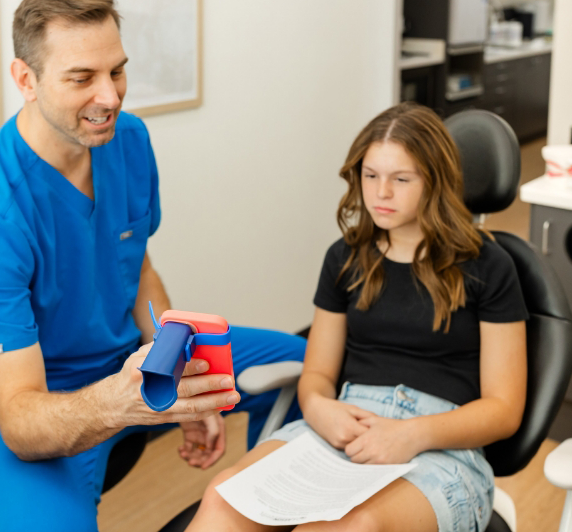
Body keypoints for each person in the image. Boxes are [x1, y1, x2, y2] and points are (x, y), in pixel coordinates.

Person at [0, 0, 305, 530]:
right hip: (16, 400)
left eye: (118, 71)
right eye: (82, 78)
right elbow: (21, 420)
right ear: (25, 79)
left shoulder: (125, 140)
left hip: (125, 360)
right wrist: (131, 401)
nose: (110, 96)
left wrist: (173, 368)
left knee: (308, 366)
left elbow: (138, 267)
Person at [186, 102, 528, 532]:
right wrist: (318, 407)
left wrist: (411, 434)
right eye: (371, 176)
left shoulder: (489, 266)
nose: (381, 193)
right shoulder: (345, 258)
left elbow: (504, 409)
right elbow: (317, 375)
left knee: (349, 526)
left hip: (441, 446)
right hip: (343, 426)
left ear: (435, 182)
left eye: (401, 179)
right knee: (222, 498)